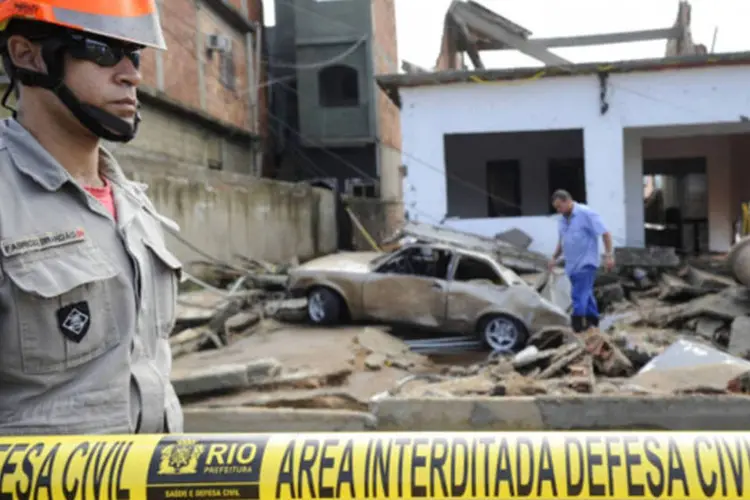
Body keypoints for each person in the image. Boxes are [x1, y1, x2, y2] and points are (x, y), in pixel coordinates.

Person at [0, 0, 183, 434]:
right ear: (27, 54)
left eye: (133, 53)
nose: (131, 74)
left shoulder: (134, 206)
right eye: (103, 50)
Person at [548, 190, 614, 333]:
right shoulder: (563, 220)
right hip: (571, 265)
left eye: (560, 206)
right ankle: (594, 326)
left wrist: (608, 255)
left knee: (578, 296)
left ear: (567, 201)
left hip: (585, 264)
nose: (559, 211)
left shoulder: (586, 214)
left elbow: (605, 233)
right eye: (556, 208)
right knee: (587, 296)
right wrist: (554, 257)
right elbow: (562, 242)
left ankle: (577, 329)